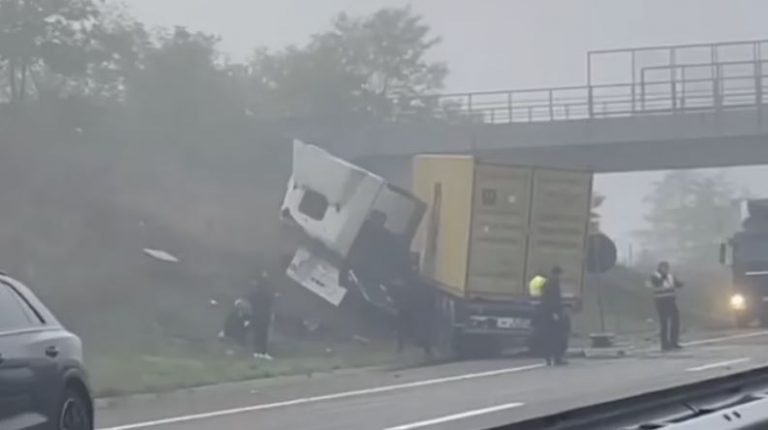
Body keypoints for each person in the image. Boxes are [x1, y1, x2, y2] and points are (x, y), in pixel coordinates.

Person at [647, 261, 684, 351]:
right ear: (659, 268)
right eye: (664, 267)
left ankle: (673, 342)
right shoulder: (654, 276)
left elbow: (675, 283)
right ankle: (665, 344)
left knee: (675, 321)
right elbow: (657, 284)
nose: (666, 269)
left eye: (667, 268)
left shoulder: (670, 276)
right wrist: (663, 278)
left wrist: (680, 284)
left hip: (671, 300)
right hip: (661, 301)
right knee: (664, 322)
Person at [536, 266, 567, 366]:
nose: (560, 277)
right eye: (559, 274)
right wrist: (555, 313)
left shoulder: (548, 283)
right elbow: (553, 300)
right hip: (552, 314)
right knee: (556, 337)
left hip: (546, 314)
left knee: (548, 337)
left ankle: (549, 358)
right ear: (556, 274)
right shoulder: (553, 284)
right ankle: (556, 358)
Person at [247, 270, 277, 360]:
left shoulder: (256, 291)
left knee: (259, 333)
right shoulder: (264, 290)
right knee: (261, 334)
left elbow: (251, 299)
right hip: (262, 314)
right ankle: (261, 352)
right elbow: (270, 299)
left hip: (259, 314)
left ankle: (259, 352)